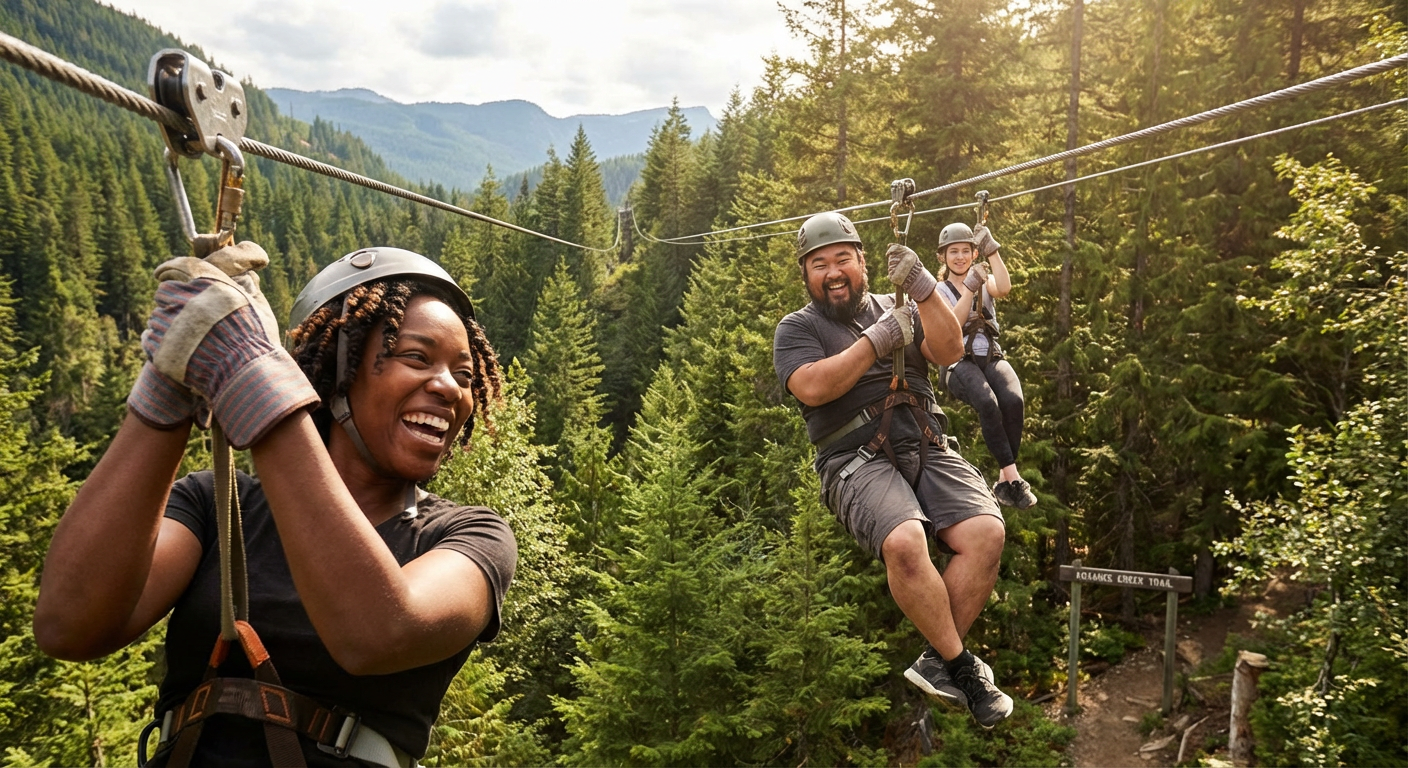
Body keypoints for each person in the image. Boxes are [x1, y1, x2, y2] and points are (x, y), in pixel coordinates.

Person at [33, 244, 516, 768]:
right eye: (416, 357)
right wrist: (166, 387)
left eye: (465, 376)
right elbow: (70, 624)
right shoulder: (218, 505)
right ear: (339, 371)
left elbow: (376, 632)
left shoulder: (469, 537)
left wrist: (254, 381)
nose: (449, 388)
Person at [772, 212, 1014, 728]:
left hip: (923, 439)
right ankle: (962, 668)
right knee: (905, 543)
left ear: (862, 262)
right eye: (820, 265)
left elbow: (949, 350)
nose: (833, 272)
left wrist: (924, 288)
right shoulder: (797, 329)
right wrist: (879, 340)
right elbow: (813, 387)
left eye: (843, 260)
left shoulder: (900, 304)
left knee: (987, 532)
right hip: (853, 457)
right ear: (806, 276)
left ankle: (938, 659)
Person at [932, 222, 1037, 509]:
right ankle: (1013, 480)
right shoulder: (938, 290)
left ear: (973, 253)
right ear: (943, 256)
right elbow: (952, 324)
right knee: (988, 404)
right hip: (958, 364)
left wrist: (993, 252)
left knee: (1013, 400)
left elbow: (1003, 287)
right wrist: (969, 288)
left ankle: (1006, 478)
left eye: (966, 251)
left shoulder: (984, 278)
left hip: (990, 355)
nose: (960, 257)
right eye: (953, 252)